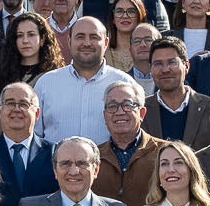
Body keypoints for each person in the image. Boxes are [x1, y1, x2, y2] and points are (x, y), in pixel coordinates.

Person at [33, 17, 134, 146]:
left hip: (110, 165)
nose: (87, 43)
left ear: (106, 43)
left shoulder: (125, 84)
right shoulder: (47, 83)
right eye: (80, 37)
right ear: (69, 41)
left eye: (94, 37)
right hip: (55, 165)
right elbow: (35, 137)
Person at [139, 37, 210, 149]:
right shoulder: (140, 111)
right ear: (151, 69)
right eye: (158, 64)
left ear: (186, 66)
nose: (165, 70)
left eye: (172, 62)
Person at [0, 9, 65, 96]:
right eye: (20, 35)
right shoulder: (1, 75)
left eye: (31, 35)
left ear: (42, 39)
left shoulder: (55, 76)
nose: (25, 41)